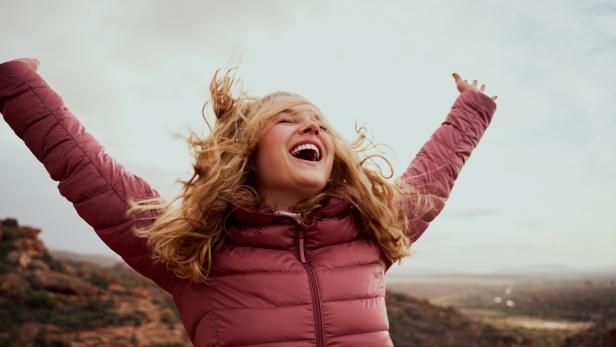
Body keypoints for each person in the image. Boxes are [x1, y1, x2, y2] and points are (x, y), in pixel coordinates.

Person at [0, 57, 497, 347]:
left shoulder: (368, 229)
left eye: (319, 120)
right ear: (248, 151)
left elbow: (432, 176)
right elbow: (92, 176)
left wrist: (472, 107)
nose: (312, 126)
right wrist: (19, 85)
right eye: (288, 119)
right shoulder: (195, 251)